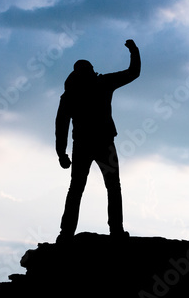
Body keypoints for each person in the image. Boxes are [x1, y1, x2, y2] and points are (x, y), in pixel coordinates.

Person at [55, 39, 140, 242]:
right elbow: (133, 72)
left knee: (78, 188)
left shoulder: (71, 94)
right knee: (110, 186)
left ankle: (67, 234)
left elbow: (61, 127)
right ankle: (115, 231)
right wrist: (134, 50)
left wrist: (61, 153)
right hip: (100, 143)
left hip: (86, 144)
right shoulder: (101, 84)